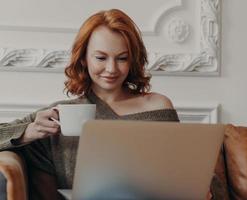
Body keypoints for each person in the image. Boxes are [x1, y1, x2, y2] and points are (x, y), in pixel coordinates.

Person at [0, 9, 179, 199]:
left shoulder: (158, 106)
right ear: (84, 58)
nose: (111, 69)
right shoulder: (61, 113)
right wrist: (26, 132)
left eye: (122, 58)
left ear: (132, 60)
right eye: (101, 58)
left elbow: (183, 166)